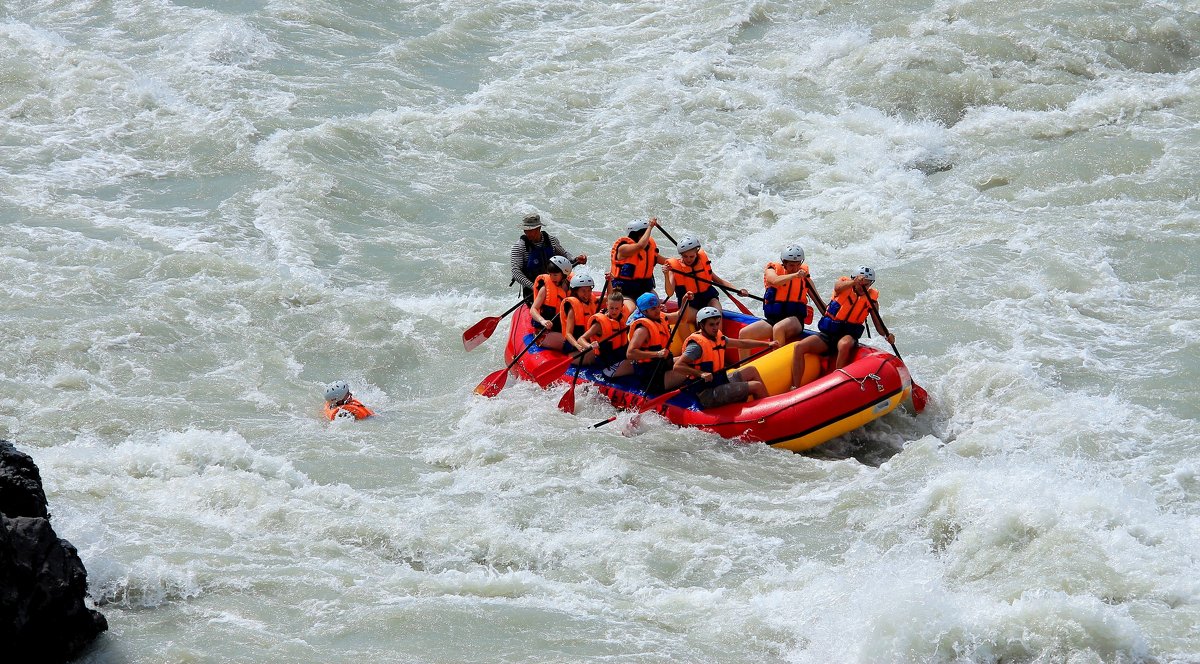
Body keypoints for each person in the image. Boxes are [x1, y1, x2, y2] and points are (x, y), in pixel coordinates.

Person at [789, 266, 895, 388]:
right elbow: (837, 286)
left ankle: (837, 383)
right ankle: (795, 386)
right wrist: (855, 282)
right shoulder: (843, 287)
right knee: (799, 347)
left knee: (844, 344)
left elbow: (878, 325)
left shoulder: (872, 301)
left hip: (848, 336)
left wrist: (887, 336)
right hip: (828, 335)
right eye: (861, 284)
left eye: (867, 285)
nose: (863, 287)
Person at [674, 307, 777, 408]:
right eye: (711, 325)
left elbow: (741, 343)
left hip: (720, 382)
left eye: (717, 323)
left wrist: (767, 344)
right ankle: (770, 411)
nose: (716, 328)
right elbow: (678, 366)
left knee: (751, 370)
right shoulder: (696, 346)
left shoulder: (717, 338)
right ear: (701, 325)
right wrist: (701, 374)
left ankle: (766, 404)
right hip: (707, 393)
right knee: (756, 386)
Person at [738, 244, 813, 358]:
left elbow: (816, 298)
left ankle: (777, 364)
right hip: (774, 319)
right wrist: (795, 275)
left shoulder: (803, 276)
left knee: (779, 328)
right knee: (744, 333)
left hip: (795, 320)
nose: (796, 268)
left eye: (798, 264)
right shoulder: (772, 270)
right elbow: (774, 280)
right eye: (792, 265)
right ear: (784, 262)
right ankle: (743, 369)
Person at [662, 235, 747, 330]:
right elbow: (669, 293)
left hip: (708, 299)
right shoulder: (675, 268)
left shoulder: (702, 263)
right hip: (690, 305)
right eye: (685, 256)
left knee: (716, 312)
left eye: (691, 256)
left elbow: (719, 281)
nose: (688, 259)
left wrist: (738, 290)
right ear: (681, 255)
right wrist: (666, 275)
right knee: (685, 317)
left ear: (697, 253)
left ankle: (719, 338)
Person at [625, 291, 691, 394]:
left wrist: (684, 301)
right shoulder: (642, 329)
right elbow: (630, 353)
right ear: (645, 311)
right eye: (653, 309)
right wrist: (657, 354)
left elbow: (681, 318)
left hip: (662, 365)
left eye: (657, 307)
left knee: (694, 360)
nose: (657, 311)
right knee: (692, 369)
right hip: (652, 378)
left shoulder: (659, 317)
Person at [509, 213, 587, 300]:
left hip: (557, 284)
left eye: (530, 230)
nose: (527, 233)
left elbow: (564, 255)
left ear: (539, 228)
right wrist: (534, 287)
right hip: (534, 291)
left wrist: (576, 259)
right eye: (525, 230)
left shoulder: (551, 241)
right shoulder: (519, 247)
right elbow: (516, 272)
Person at [610, 217, 668, 311]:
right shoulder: (623, 248)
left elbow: (665, 261)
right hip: (624, 291)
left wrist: (682, 261)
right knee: (631, 309)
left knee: (657, 307)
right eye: (643, 233)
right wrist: (650, 227)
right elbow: (640, 246)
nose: (646, 236)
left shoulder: (648, 249)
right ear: (634, 235)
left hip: (644, 288)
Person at [578, 289, 633, 377]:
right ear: (607, 305)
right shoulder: (599, 324)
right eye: (611, 308)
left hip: (619, 355)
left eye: (617, 308)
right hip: (606, 361)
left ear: (622, 306)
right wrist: (589, 346)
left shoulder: (624, 316)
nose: (614, 311)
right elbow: (581, 339)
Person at [529, 255, 573, 350]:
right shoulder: (545, 289)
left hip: (562, 327)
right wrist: (542, 321)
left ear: (564, 275)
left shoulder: (570, 286)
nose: (552, 278)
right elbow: (533, 309)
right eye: (550, 274)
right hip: (545, 331)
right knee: (571, 344)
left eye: (555, 275)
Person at [559, 272, 599, 355]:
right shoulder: (572, 309)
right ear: (576, 291)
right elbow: (568, 333)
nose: (587, 294)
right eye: (583, 291)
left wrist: (609, 282)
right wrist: (577, 345)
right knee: (591, 355)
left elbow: (610, 299)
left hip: (587, 340)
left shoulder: (592, 301)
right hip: (574, 346)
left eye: (589, 290)